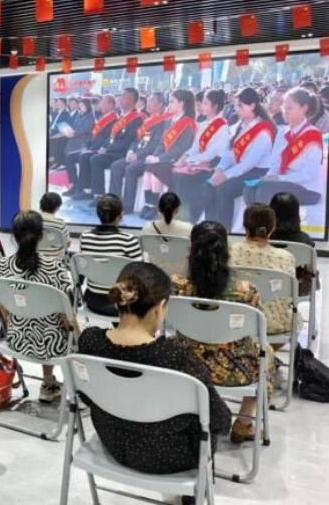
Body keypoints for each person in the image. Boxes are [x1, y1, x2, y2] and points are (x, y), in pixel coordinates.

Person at [78, 262, 231, 475]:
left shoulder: (89, 341)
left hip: (112, 442)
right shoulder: (177, 358)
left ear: (118, 301)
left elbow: (85, 397)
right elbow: (220, 421)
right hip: (173, 456)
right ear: (159, 309)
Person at [170, 221, 273, 444]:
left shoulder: (176, 287)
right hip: (237, 370)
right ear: (226, 249)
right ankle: (243, 422)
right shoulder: (246, 291)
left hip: (185, 367)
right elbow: (259, 330)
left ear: (192, 249)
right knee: (267, 353)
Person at [0, 211, 75, 403]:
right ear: (40, 236)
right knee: (62, 329)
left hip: (17, 341)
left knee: (36, 320)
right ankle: (60, 387)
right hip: (53, 345)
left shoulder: (1, 266)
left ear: (13, 236)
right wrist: (79, 340)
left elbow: (3, 312)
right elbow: (66, 319)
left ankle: (49, 383)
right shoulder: (55, 268)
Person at [203, 87, 275, 230]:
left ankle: (224, 231)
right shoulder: (240, 126)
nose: (236, 109)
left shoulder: (263, 130)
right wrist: (220, 169)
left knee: (224, 189)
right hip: (238, 169)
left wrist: (226, 176)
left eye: (240, 106)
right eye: (235, 105)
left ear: (252, 105)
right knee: (207, 185)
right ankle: (210, 228)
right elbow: (229, 153)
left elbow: (250, 163)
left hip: (257, 173)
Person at [243, 88, 323, 207]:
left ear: (304, 108)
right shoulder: (282, 132)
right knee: (250, 188)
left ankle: (266, 219)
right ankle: (257, 219)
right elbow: (275, 163)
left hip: (306, 188)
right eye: (284, 107)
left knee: (265, 189)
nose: (285, 111)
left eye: (289, 108)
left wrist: (279, 179)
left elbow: (308, 174)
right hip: (282, 182)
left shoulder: (313, 134)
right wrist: (269, 177)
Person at [230, 204, 298, 338]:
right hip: (276, 324)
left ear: (245, 227)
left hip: (237, 321)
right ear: (273, 228)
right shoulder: (286, 257)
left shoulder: (229, 251)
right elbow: (288, 296)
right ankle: (267, 349)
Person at [170, 89, 231, 223]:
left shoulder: (222, 126)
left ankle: (192, 219)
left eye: (205, 103)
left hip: (214, 164)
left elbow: (211, 153)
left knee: (192, 180)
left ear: (215, 106)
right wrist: (185, 157)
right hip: (199, 161)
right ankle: (180, 216)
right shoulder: (203, 124)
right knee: (178, 175)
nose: (202, 106)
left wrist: (189, 161)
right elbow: (195, 147)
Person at [137, 90, 197, 220]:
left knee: (155, 168)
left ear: (181, 103)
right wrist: (154, 156)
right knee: (148, 167)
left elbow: (181, 149)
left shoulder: (187, 123)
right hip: (163, 158)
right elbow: (161, 143)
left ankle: (154, 205)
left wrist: (159, 158)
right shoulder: (168, 121)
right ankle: (148, 203)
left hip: (176, 160)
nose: (169, 105)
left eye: (172, 102)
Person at [78, 194, 142, 316]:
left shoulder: (85, 237)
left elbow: (82, 267)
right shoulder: (129, 240)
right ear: (121, 216)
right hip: (121, 303)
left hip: (93, 300)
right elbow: (139, 276)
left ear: (97, 214)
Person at [81, 88, 146, 207]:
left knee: (96, 159)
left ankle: (100, 195)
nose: (120, 99)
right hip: (112, 150)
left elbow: (127, 141)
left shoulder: (136, 119)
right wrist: (104, 147)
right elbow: (111, 137)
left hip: (122, 153)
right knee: (88, 156)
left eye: (124, 96)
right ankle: (89, 191)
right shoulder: (121, 117)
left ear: (131, 100)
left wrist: (107, 149)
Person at [109, 92, 170, 214]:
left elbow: (154, 145)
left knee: (131, 169)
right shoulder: (147, 120)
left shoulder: (163, 122)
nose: (148, 104)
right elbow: (137, 139)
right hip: (136, 153)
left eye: (152, 101)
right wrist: (131, 151)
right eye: (148, 101)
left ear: (160, 104)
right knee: (116, 166)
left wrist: (138, 155)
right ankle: (113, 201)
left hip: (147, 157)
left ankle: (127, 206)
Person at [65, 94, 119, 199]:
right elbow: (92, 135)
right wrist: (86, 145)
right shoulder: (102, 117)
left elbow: (108, 138)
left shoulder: (114, 119)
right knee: (70, 157)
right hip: (91, 147)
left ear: (111, 104)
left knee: (85, 156)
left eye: (103, 102)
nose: (100, 105)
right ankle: (75, 185)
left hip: (99, 149)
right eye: (101, 102)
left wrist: (94, 148)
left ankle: (86, 189)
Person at [38, 191, 70, 257]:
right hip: (56, 259)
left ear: (41, 204)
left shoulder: (34, 220)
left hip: (37, 258)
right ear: (57, 207)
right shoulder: (60, 223)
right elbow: (67, 243)